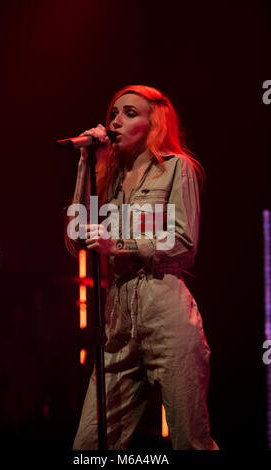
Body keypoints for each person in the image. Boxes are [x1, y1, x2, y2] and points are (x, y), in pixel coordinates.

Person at [64, 85, 219, 450]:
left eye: (130, 113)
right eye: (114, 113)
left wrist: (117, 245)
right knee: (90, 446)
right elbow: (76, 233)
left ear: (154, 123)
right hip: (118, 317)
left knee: (189, 442)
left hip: (164, 307)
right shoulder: (109, 176)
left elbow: (183, 242)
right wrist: (86, 161)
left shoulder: (177, 168)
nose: (116, 120)